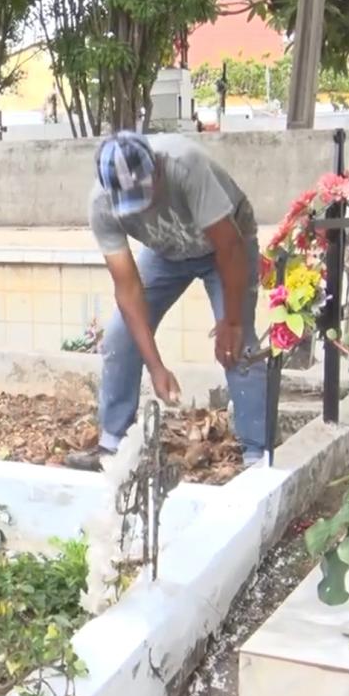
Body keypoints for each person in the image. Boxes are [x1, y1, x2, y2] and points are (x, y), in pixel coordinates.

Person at [65, 130, 268, 472]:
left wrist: (231, 322)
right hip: (166, 252)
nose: (141, 206)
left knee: (239, 345)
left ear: (157, 168)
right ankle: (113, 445)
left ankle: (257, 455)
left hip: (226, 246)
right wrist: (156, 366)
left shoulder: (185, 165)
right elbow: (128, 289)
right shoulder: (102, 202)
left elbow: (230, 247)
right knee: (119, 336)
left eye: (145, 193)